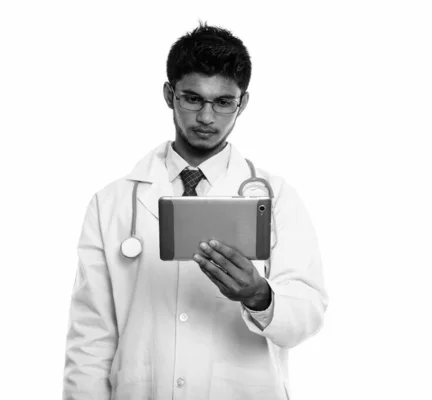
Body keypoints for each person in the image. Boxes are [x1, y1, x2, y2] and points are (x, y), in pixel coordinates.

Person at [63, 22, 328, 400]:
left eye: (223, 102)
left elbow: (308, 313)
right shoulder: (111, 204)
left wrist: (260, 296)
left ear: (243, 103)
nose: (207, 117)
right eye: (193, 98)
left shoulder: (278, 198)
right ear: (170, 95)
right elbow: (90, 337)